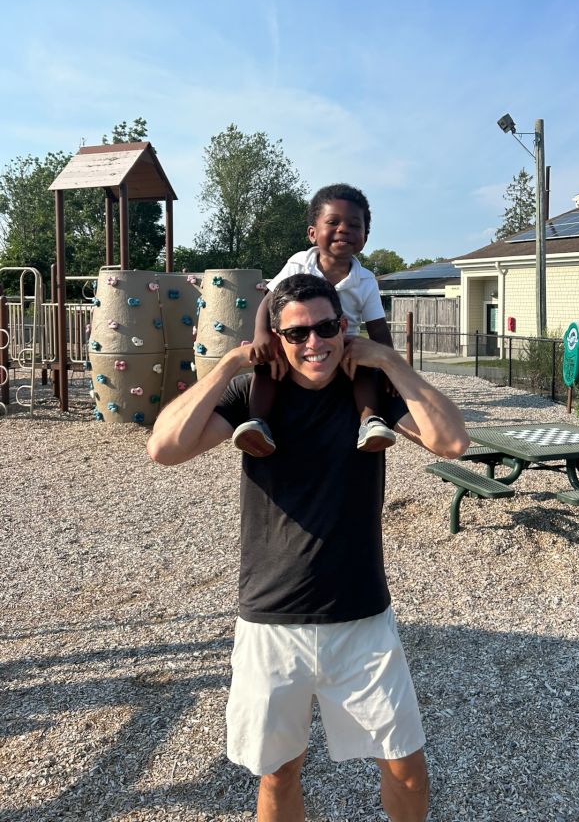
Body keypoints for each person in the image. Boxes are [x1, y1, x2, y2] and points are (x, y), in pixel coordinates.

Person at [147, 273, 469, 822]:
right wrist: (229, 365)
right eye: (297, 334)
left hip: (361, 616)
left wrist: (390, 360)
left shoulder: (370, 390)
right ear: (277, 338)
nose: (314, 342)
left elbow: (453, 441)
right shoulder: (253, 395)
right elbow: (164, 448)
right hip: (272, 620)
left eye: (326, 327)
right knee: (278, 773)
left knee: (406, 770)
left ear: (343, 326)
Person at [233, 183, 397, 457]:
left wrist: (390, 365)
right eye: (333, 222)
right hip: (298, 338)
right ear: (312, 233)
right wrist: (262, 335)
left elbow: (378, 328)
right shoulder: (299, 263)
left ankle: (370, 422)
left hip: (342, 344)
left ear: (365, 237)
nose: (344, 229)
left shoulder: (366, 279)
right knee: (268, 362)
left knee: (364, 365)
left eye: (354, 225)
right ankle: (258, 422)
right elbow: (268, 301)